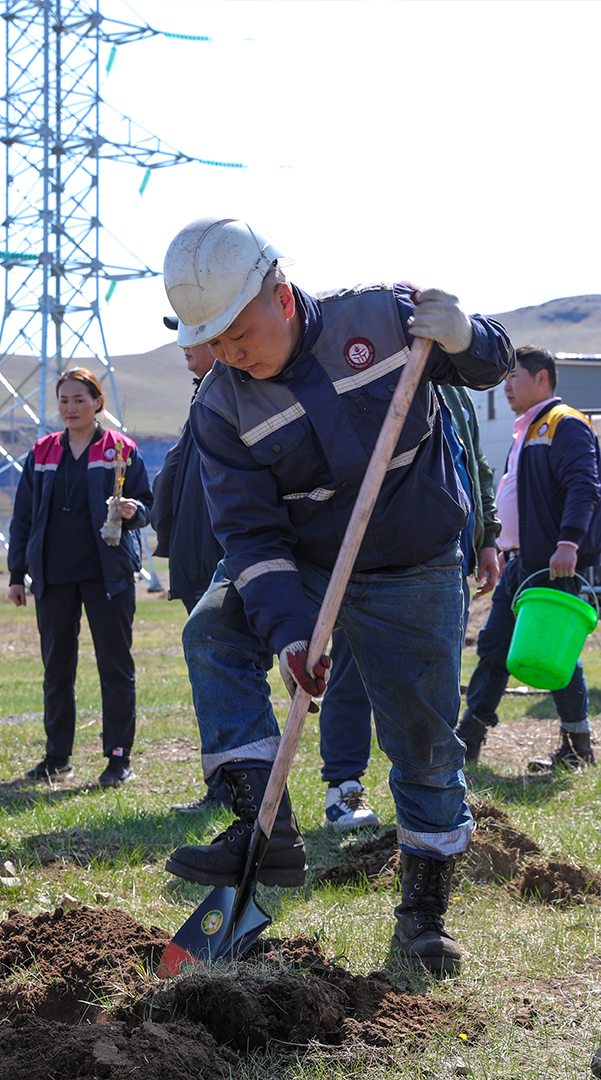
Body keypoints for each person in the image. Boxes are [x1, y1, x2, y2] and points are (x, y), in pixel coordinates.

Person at [160, 217, 513, 975]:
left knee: (423, 741)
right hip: (305, 563)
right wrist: (291, 633)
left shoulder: (384, 319)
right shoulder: (221, 408)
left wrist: (465, 337)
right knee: (213, 631)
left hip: (412, 564)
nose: (231, 355)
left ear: (282, 296)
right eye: (213, 342)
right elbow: (250, 536)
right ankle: (265, 823)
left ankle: (423, 916)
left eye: (239, 334)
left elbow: (493, 365)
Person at [318, 382, 502, 830]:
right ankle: (344, 786)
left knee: (437, 680)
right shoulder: (375, 379)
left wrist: (487, 537)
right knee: (353, 671)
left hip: (450, 558)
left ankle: (436, 798)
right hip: (379, 561)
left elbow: (474, 463)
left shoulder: (455, 390)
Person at [456, 346, 601, 770]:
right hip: (521, 562)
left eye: (514, 376)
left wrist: (569, 543)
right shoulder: (528, 429)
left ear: (542, 378)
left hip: (553, 563)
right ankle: (470, 736)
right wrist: (503, 550)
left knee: (552, 650)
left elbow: (584, 486)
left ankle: (577, 745)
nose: (506, 386)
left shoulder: (565, 423)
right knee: (494, 645)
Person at [7, 367, 153, 788]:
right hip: (53, 576)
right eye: (64, 400)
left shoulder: (119, 449)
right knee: (57, 669)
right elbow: (23, 516)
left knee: (115, 666)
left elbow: (147, 505)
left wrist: (134, 512)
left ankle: (118, 758)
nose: (70, 408)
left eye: (79, 400)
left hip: (107, 575)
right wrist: (17, 573)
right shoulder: (42, 452)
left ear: (97, 403)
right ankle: (57, 758)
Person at [150, 319, 230, 814]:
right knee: (216, 675)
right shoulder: (205, 394)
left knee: (226, 674)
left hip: (220, 562)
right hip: (196, 560)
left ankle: (235, 790)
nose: (182, 343)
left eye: (192, 332)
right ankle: (232, 787)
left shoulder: (234, 394)